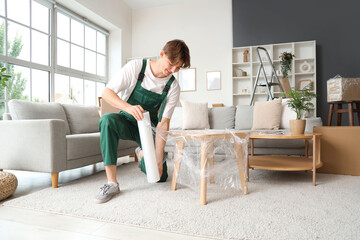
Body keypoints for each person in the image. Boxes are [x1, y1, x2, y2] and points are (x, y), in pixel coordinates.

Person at [94, 39, 191, 203]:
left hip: (148, 130)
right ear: (162, 54)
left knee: (159, 176)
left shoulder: (173, 87)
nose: (173, 70)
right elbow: (107, 93)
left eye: (178, 67)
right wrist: (128, 107)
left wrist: (158, 160)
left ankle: (141, 152)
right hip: (126, 120)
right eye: (171, 63)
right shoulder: (137, 67)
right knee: (107, 121)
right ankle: (112, 183)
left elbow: (163, 123)